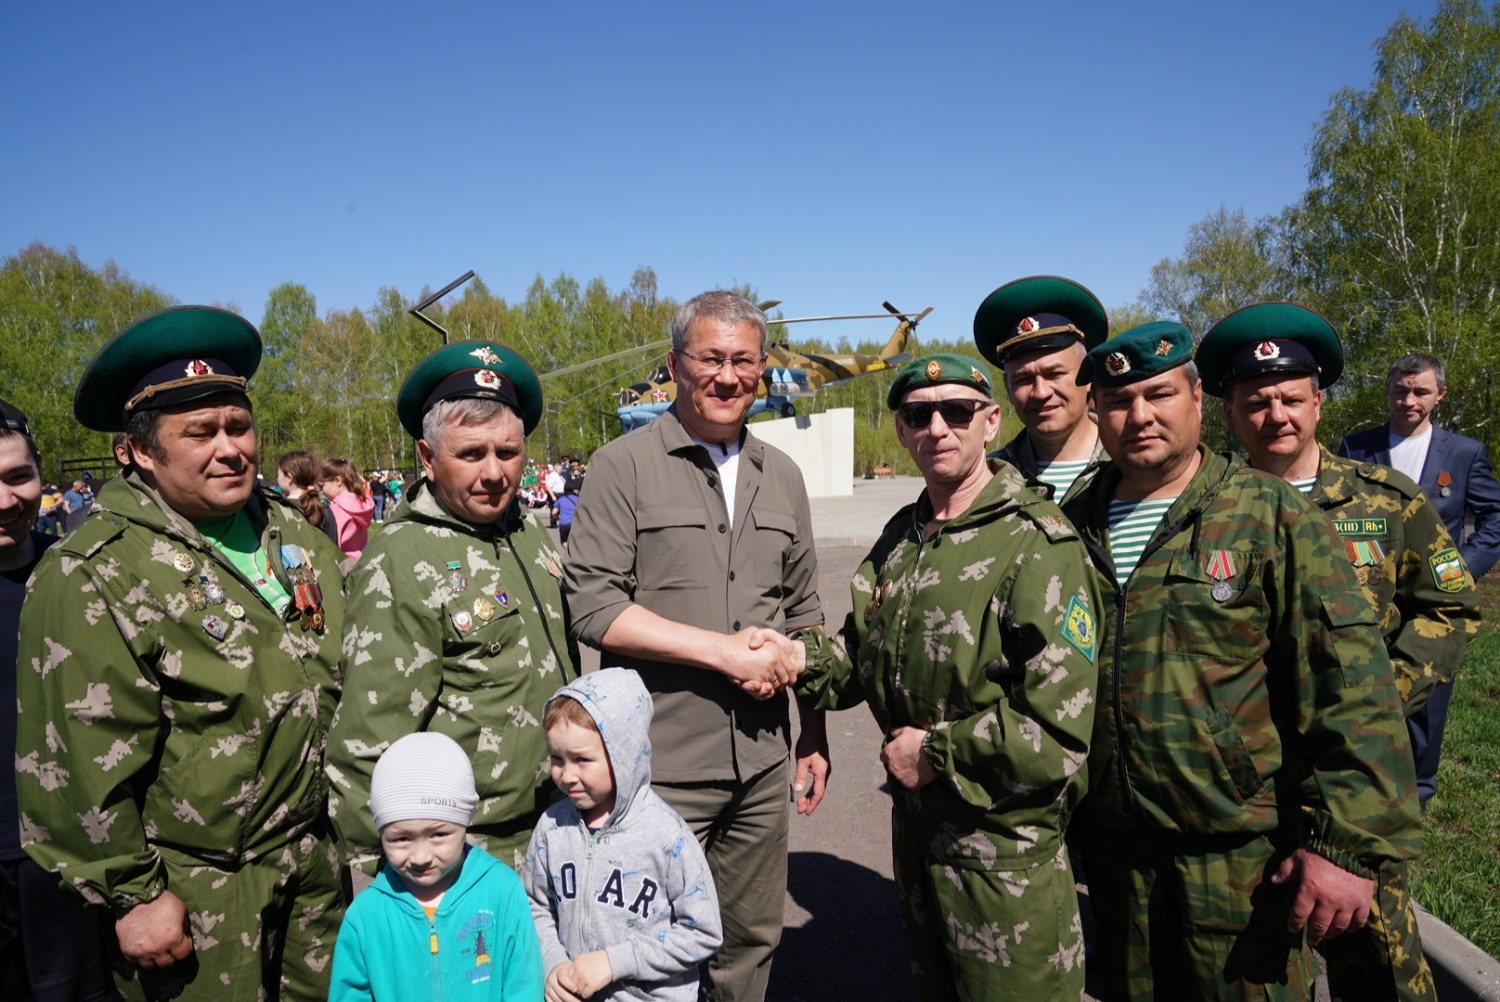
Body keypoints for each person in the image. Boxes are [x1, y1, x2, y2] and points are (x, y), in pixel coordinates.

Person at [1059, 321, 1420, 1000]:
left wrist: (1346, 847)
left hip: (1236, 858)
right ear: (1096, 413)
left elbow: (1350, 683)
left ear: (1197, 399)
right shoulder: (1072, 521)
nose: (1140, 416)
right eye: (1118, 401)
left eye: (1159, 394)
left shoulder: (1267, 511)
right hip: (1114, 851)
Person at [15, 305, 346, 1000]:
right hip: (198, 891)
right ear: (140, 452)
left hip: (316, 863)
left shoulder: (293, 534)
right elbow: (72, 759)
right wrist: (132, 895)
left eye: (238, 426)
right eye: (200, 433)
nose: (230, 449)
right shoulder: (97, 568)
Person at [1200, 303, 1481, 1002]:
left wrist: (1381, 696)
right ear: (1229, 415)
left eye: (1291, 399)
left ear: (1318, 403)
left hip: (1355, 775)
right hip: (1247, 780)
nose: (1276, 415)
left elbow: (1450, 603)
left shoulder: (1385, 502)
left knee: (1382, 961)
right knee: (1254, 965)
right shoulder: (1207, 513)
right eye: (1255, 402)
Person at [798, 354, 1100, 999]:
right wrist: (791, 658)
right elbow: (858, 658)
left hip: (1004, 863)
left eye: (957, 412)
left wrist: (936, 753)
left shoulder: (1036, 542)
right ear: (902, 431)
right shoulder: (902, 537)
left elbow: (1059, 727)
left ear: (990, 423)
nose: (937, 428)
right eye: (917, 416)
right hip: (918, 851)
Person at [563, 290, 827, 1002]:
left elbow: (805, 612)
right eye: (710, 358)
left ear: (762, 368)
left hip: (761, 763)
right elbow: (595, 607)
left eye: (744, 361)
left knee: (749, 944)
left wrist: (813, 732)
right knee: (641, 947)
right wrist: (724, 653)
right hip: (661, 768)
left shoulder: (783, 475)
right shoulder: (623, 466)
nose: (728, 376)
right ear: (676, 364)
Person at [326, 340, 580, 881]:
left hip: (560, 825)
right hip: (470, 856)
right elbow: (368, 741)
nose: (494, 473)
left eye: (508, 453)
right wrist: (397, 880)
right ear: (427, 458)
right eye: (470, 454)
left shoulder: (526, 532)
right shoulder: (401, 559)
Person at [1338, 352, 1500, 807]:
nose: (1408, 400)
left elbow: (1495, 516)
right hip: (1369, 593)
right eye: (1400, 390)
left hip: (1434, 600)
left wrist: (1460, 569)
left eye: (1420, 392)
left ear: (1439, 395)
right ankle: (1364, 780)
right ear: (1388, 392)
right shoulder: (1356, 447)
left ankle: (1418, 792)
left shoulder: (1464, 453)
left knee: (1428, 697)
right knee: (1363, 687)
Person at [0, 399, 118, 1001]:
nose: (4, 500)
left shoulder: (81, 573)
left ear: (41, 471)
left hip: (70, 856)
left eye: (17, 476)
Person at [524, 668, 722, 1002]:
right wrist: (551, 961)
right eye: (557, 758)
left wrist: (615, 962)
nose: (566, 775)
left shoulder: (666, 836)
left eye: (581, 759)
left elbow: (703, 932)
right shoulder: (551, 828)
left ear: (623, 756)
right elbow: (534, 905)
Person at [329, 731, 543, 1001]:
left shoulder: (502, 891)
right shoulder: (365, 916)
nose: (420, 857)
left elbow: (524, 985)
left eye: (438, 835)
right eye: (401, 839)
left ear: (466, 821)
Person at [973, 275, 1111, 502]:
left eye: (1054, 374)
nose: (1040, 392)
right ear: (1008, 388)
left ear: (1087, 377)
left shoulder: (1131, 463)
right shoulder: (988, 478)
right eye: (1024, 379)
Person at [319, 458, 374, 564]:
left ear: (337, 481)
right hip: (360, 562)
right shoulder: (360, 503)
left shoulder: (336, 509)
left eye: (322, 486)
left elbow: (331, 545)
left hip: (342, 565)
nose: (321, 491)